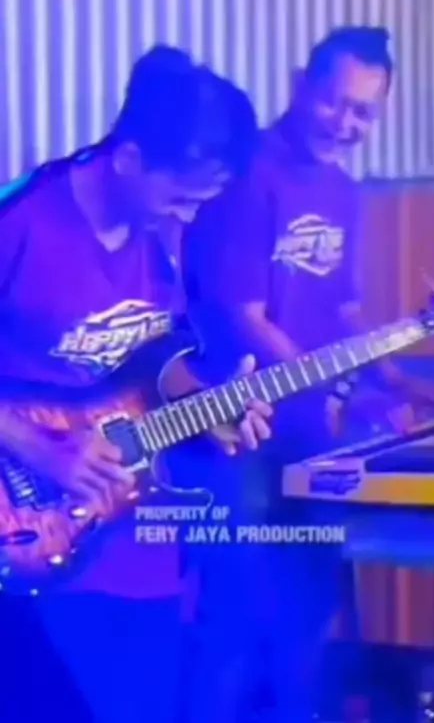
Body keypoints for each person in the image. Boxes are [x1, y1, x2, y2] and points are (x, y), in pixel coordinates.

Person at [183, 26, 434, 722]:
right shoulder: (249, 172)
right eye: (333, 101)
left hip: (310, 436)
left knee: (310, 616)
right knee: (236, 626)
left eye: (362, 112)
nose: (344, 122)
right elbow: (244, 317)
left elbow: (342, 311)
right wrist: (329, 382)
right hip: (236, 432)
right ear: (299, 85)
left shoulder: (343, 189)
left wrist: (397, 381)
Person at [0, 45, 272, 723]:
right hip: (33, 538)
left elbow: (153, 364)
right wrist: (42, 448)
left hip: (136, 538)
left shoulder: (158, 235)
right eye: (179, 197)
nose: (187, 218)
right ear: (127, 159)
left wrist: (208, 407)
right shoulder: (21, 222)